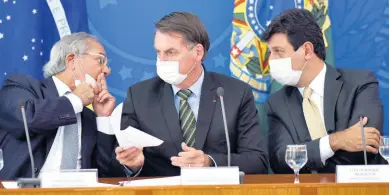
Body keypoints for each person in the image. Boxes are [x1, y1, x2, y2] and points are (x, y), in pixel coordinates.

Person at [110, 12, 268, 177]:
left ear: (197, 52)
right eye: (158, 52)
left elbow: (257, 160)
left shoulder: (236, 93)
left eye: (171, 52)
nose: (162, 60)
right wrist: (133, 165)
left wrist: (209, 162)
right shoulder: (139, 96)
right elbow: (114, 165)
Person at [263, 9, 384, 173]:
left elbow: (363, 148)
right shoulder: (277, 103)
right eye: (270, 52)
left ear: (306, 50)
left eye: (278, 51)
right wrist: (335, 141)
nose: (271, 60)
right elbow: (281, 160)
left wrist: (308, 155)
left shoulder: (360, 83)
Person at [0, 32, 117, 179]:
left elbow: (107, 174)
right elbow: (27, 120)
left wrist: (103, 118)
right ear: (72, 60)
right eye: (100, 60)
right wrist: (75, 100)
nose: (106, 71)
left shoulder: (90, 117)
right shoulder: (19, 86)